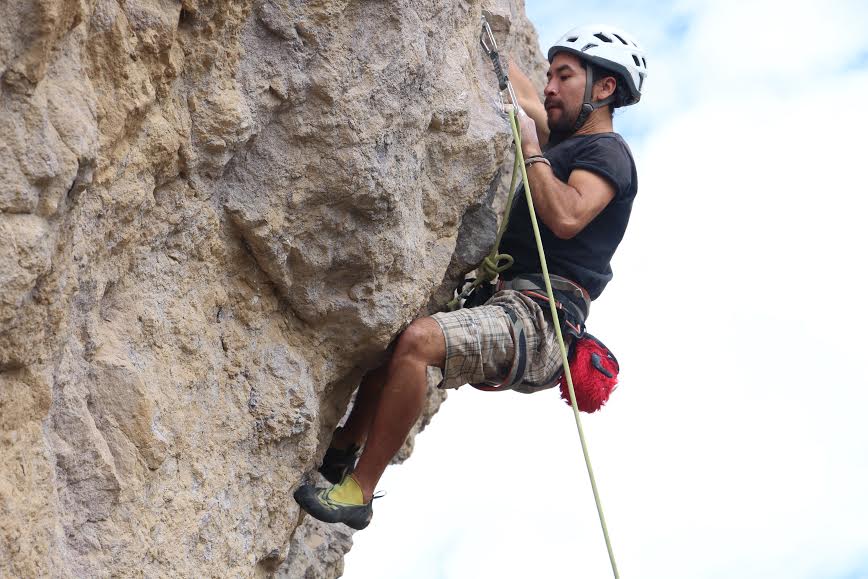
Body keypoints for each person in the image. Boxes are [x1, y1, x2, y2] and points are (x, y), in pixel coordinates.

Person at [293, 25, 647, 530]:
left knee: (419, 341)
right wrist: (476, 25)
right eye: (551, 74)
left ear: (605, 88)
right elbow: (521, 91)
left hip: (543, 318)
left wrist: (531, 149)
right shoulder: (562, 142)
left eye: (564, 76)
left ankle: (357, 493)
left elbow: (568, 215)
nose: (550, 85)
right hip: (510, 302)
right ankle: (344, 448)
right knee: (396, 343)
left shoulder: (606, 153)